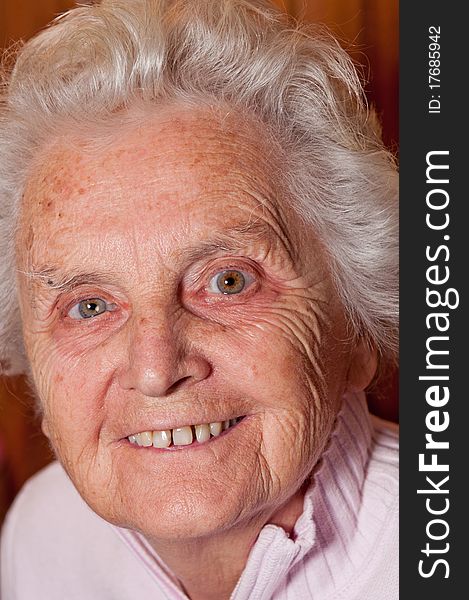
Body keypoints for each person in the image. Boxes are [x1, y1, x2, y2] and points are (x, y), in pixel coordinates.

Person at [0, 1, 398, 598]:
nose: (157, 369)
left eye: (227, 281)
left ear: (356, 326)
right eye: (89, 305)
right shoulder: (43, 535)